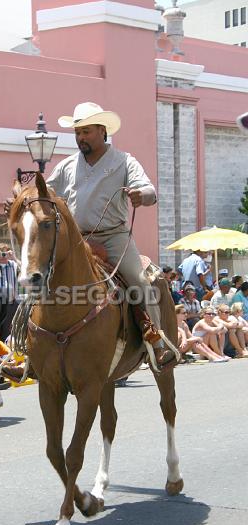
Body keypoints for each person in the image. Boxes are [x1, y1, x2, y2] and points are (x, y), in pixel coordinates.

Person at [41, 101, 174, 366]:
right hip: (76, 241)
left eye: (86, 131)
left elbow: (150, 191)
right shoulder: (67, 166)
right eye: (78, 132)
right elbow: (44, 193)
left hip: (114, 238)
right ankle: (25, 349)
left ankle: (156, 341)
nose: (81, 137)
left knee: (139, 282)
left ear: (103, 131)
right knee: (37, 280)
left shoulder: (124, 161)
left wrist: (141, 195)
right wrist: (23, 199)